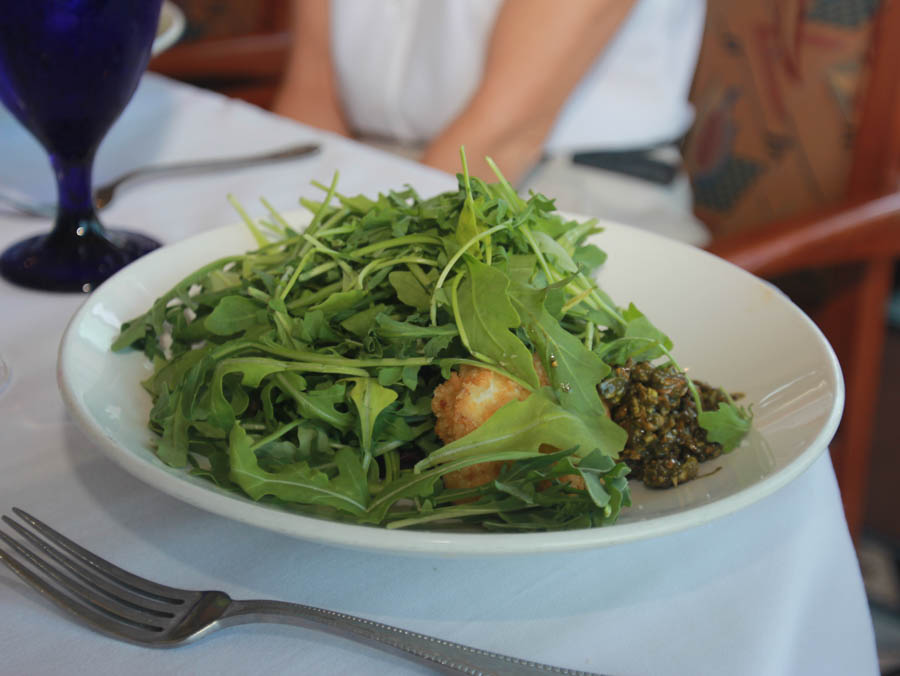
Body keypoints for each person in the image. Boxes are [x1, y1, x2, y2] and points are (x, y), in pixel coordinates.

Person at [272, 0, 709, 245]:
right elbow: (311, 88)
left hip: (561, 179)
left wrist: (355, 255)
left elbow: (501, 136)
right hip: (373, 161)